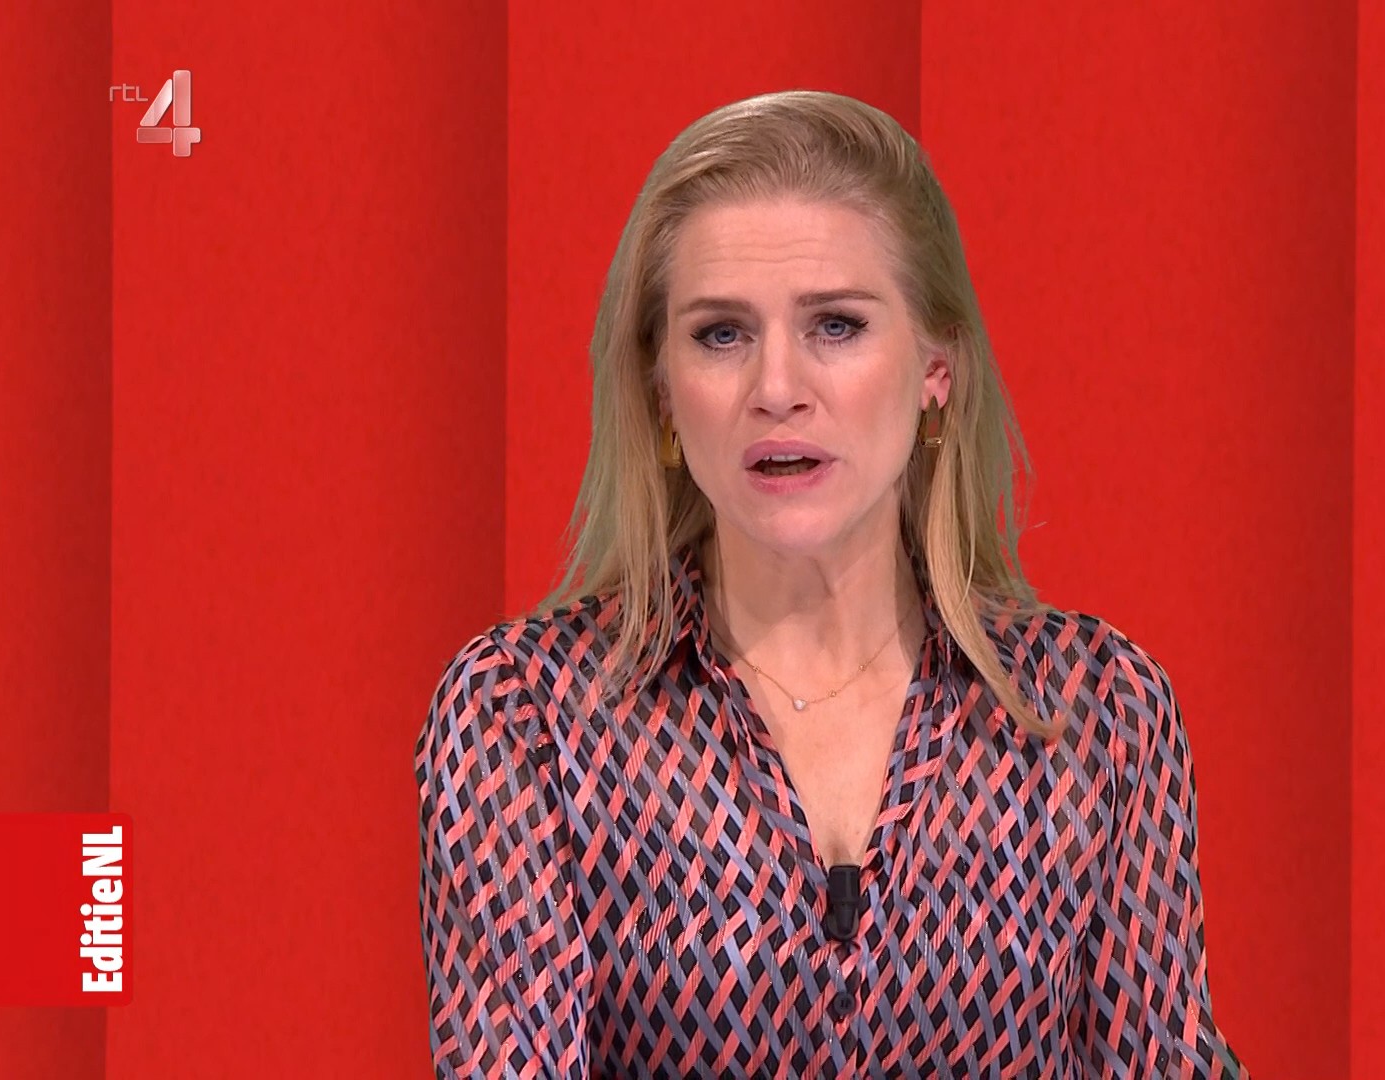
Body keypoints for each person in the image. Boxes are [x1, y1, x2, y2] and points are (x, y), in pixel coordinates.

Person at [414, 88, 1246, 1079]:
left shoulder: (1096, 712)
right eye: (720, 334)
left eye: (837, 326)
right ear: (661, 390)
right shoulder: (527, 715)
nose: (776, 388)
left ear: (937, 367)